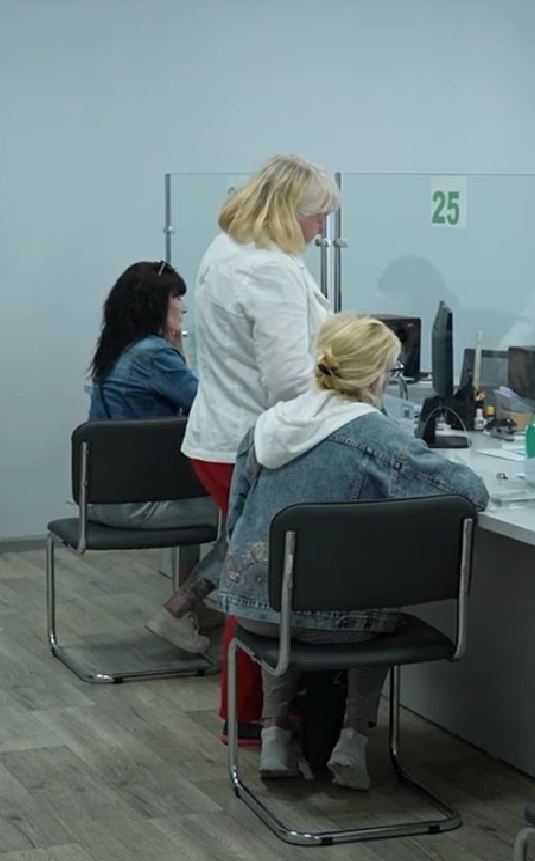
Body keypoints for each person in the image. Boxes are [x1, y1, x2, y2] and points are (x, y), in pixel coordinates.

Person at [219, 313, 488, 790]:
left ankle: (275, 735)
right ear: (375, 377)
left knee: (286, 584)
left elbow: (236, 517)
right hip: (339, 627)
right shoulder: (375, 434)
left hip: (253, 611)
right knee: (374, 594)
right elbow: (470, 493)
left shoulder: (267, 425)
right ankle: (353, 741)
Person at [181, 154, 339, 744]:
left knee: (255, 576)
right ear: (289, 211)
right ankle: (252, 715)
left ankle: (255, 711)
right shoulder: (268, 269)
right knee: (264, 586)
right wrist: (349, 391)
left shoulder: (228, 249)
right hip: (256, 445)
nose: (321, 229)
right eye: (317, 216)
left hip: (223, 438)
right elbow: (289, 381)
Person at [87, 261, 223, 654]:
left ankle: (193, 606)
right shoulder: (153, 354)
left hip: (102, 497)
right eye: (176, 297)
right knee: (249, 522)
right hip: (136, 504)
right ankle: (177, 610)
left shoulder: (116, 350)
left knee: (198, 491)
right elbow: (206, 406)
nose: (183, 306)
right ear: (154, 303)